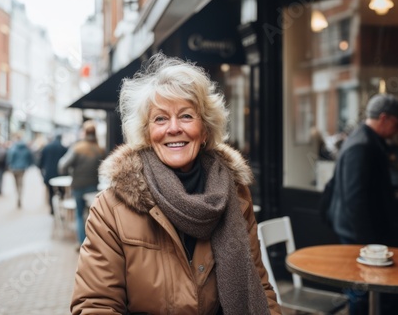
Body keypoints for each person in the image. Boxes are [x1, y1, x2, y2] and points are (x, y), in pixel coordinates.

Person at [70, 53, 281, 314]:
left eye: (186, 116)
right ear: (147, 133)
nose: (173, 128)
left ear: (204, 130)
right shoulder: (111, 207)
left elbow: (258, 287)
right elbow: (95, 305)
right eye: (160, 119)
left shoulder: (236, 195)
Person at [327, 93, 398, 315]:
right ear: (384, 118)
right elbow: (355, 198)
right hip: (359, 235)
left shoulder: (362, 138)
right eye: (397, 123)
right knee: (361, 293)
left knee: (363, 292)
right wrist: (368, 244)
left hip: (359, 233)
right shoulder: (362, 144)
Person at [59, 120, 105, 245]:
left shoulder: (77, 148)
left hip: (78, 186)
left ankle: (81, 243)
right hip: (93, 185)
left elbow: (62, 165)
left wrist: (71, 171)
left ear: (84, 132)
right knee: (93, 216)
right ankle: (94, 243)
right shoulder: (100, 149)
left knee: (79, 214)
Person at [38, 133, 68, 215]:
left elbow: (40, 163)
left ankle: (52, 209)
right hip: (60, 175)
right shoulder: (63, 148)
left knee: (51, 192)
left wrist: (42, 174)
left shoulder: (46, 147)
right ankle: (60, 208)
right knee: (62, 192)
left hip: (49, 174)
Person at [7, 133, 34, 208]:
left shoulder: (13, 147)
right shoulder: (25, 147)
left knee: (16, 183)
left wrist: (9, 165)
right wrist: (28, 165)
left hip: (14, 168)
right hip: (22, 168)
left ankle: (18, 195)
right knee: (21, 183)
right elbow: (30, 157)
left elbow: (10, 157)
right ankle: (19, 196)